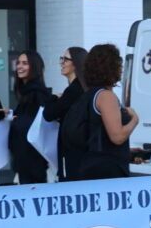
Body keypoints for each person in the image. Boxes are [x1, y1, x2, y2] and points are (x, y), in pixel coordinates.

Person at [59, 43, 138, 180]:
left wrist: (129, 153)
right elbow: (117, 137)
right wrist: (134, 120)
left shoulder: (88, 96)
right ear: (111, 67)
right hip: (107, 174)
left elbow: (98, 137)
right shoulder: (106, 97)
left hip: (89, 169)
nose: (121, 68)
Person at [5, 50, 52, 185]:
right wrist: (11, 115)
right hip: (27, 162)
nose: (19, 66)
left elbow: (31, 126)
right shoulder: (27, 94)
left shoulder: (37, 94)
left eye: (25, 63)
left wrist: (16, 120)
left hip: (33, 163)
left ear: (34, 67)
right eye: (18, 62)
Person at [43, 46, 88, 179]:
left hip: (72, 152)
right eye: (61, 59)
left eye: (66, 59)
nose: (62, 62)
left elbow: (48, 114)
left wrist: (53, 97)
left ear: (76, 63)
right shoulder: (82, 88)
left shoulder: (73, 90)